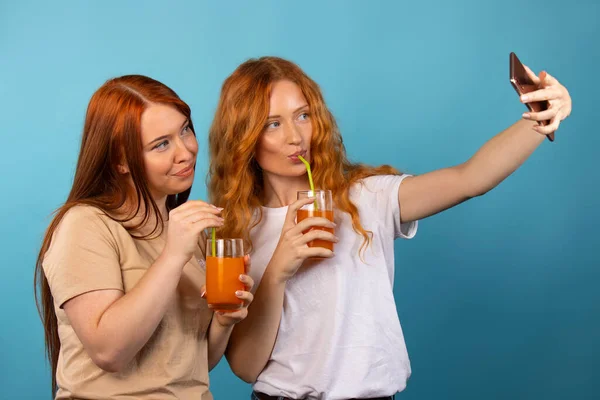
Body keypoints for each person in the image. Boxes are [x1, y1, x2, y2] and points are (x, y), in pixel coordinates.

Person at [206, 56, 572, 400]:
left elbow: (469, 179)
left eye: (303, 115)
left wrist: (543, 118)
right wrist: (278, 271)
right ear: (245, 138)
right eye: (274, 123)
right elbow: (245, 367)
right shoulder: (238, 232)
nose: (295, 136)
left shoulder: (366, 198)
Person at [34, 75, 254, 399]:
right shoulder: (85, 225)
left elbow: (190, 367)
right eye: (161, 144)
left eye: (185, 130)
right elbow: (110, 352)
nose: (186, 151)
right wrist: (172, 256)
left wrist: (224, 321)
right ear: (120, 160)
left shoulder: (187, 230)